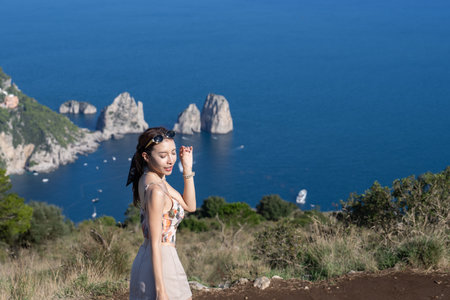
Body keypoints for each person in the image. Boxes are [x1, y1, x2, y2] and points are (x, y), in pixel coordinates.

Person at [127, 127, 196, 300]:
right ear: (146, 157)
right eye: (163, 156)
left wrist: (187, 168)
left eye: (173, 153)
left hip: (150, 261)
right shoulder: (156, 189)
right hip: (162, 266)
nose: (171, 160)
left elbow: (190, 205)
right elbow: (156, 243)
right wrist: (161, 292)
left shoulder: (151, 178)